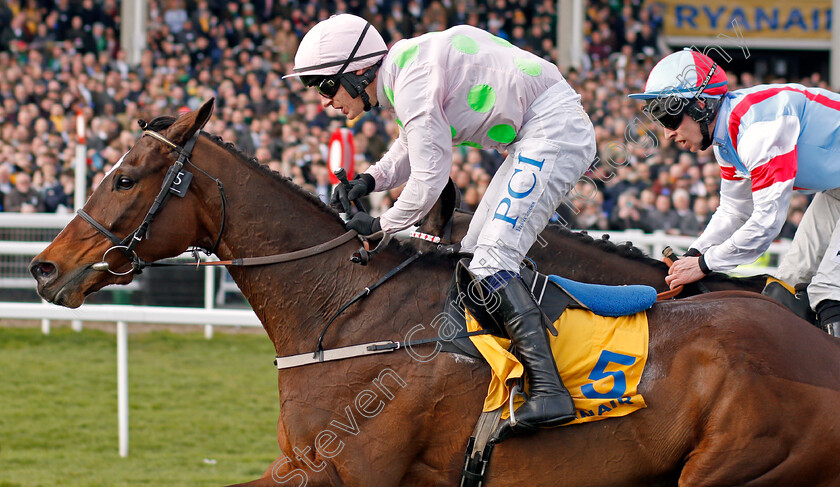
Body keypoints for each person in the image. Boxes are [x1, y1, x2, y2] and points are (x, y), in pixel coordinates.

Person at [286, 14, 596, 436]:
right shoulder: (406, 70)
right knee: (472, 257)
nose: (324, 101)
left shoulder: (412, 77)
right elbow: (413, 144)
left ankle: (549, 390)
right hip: (535, 134)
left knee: (490, 260)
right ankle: (505, 373)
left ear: (359, 71)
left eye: (325, 85)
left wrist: (381, 226)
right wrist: (370, 180)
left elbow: (429, 180)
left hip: (552, 131)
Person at [631, 48, 840, 336]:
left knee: (830, 291)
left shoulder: (759, 131)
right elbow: (734, 211)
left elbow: (766, 224)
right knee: (785, 286)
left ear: (701, 106)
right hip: (835, 190)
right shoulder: (727, 139)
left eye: (668, 117)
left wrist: (704, 264)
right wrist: (694, 254)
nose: (667, 133)